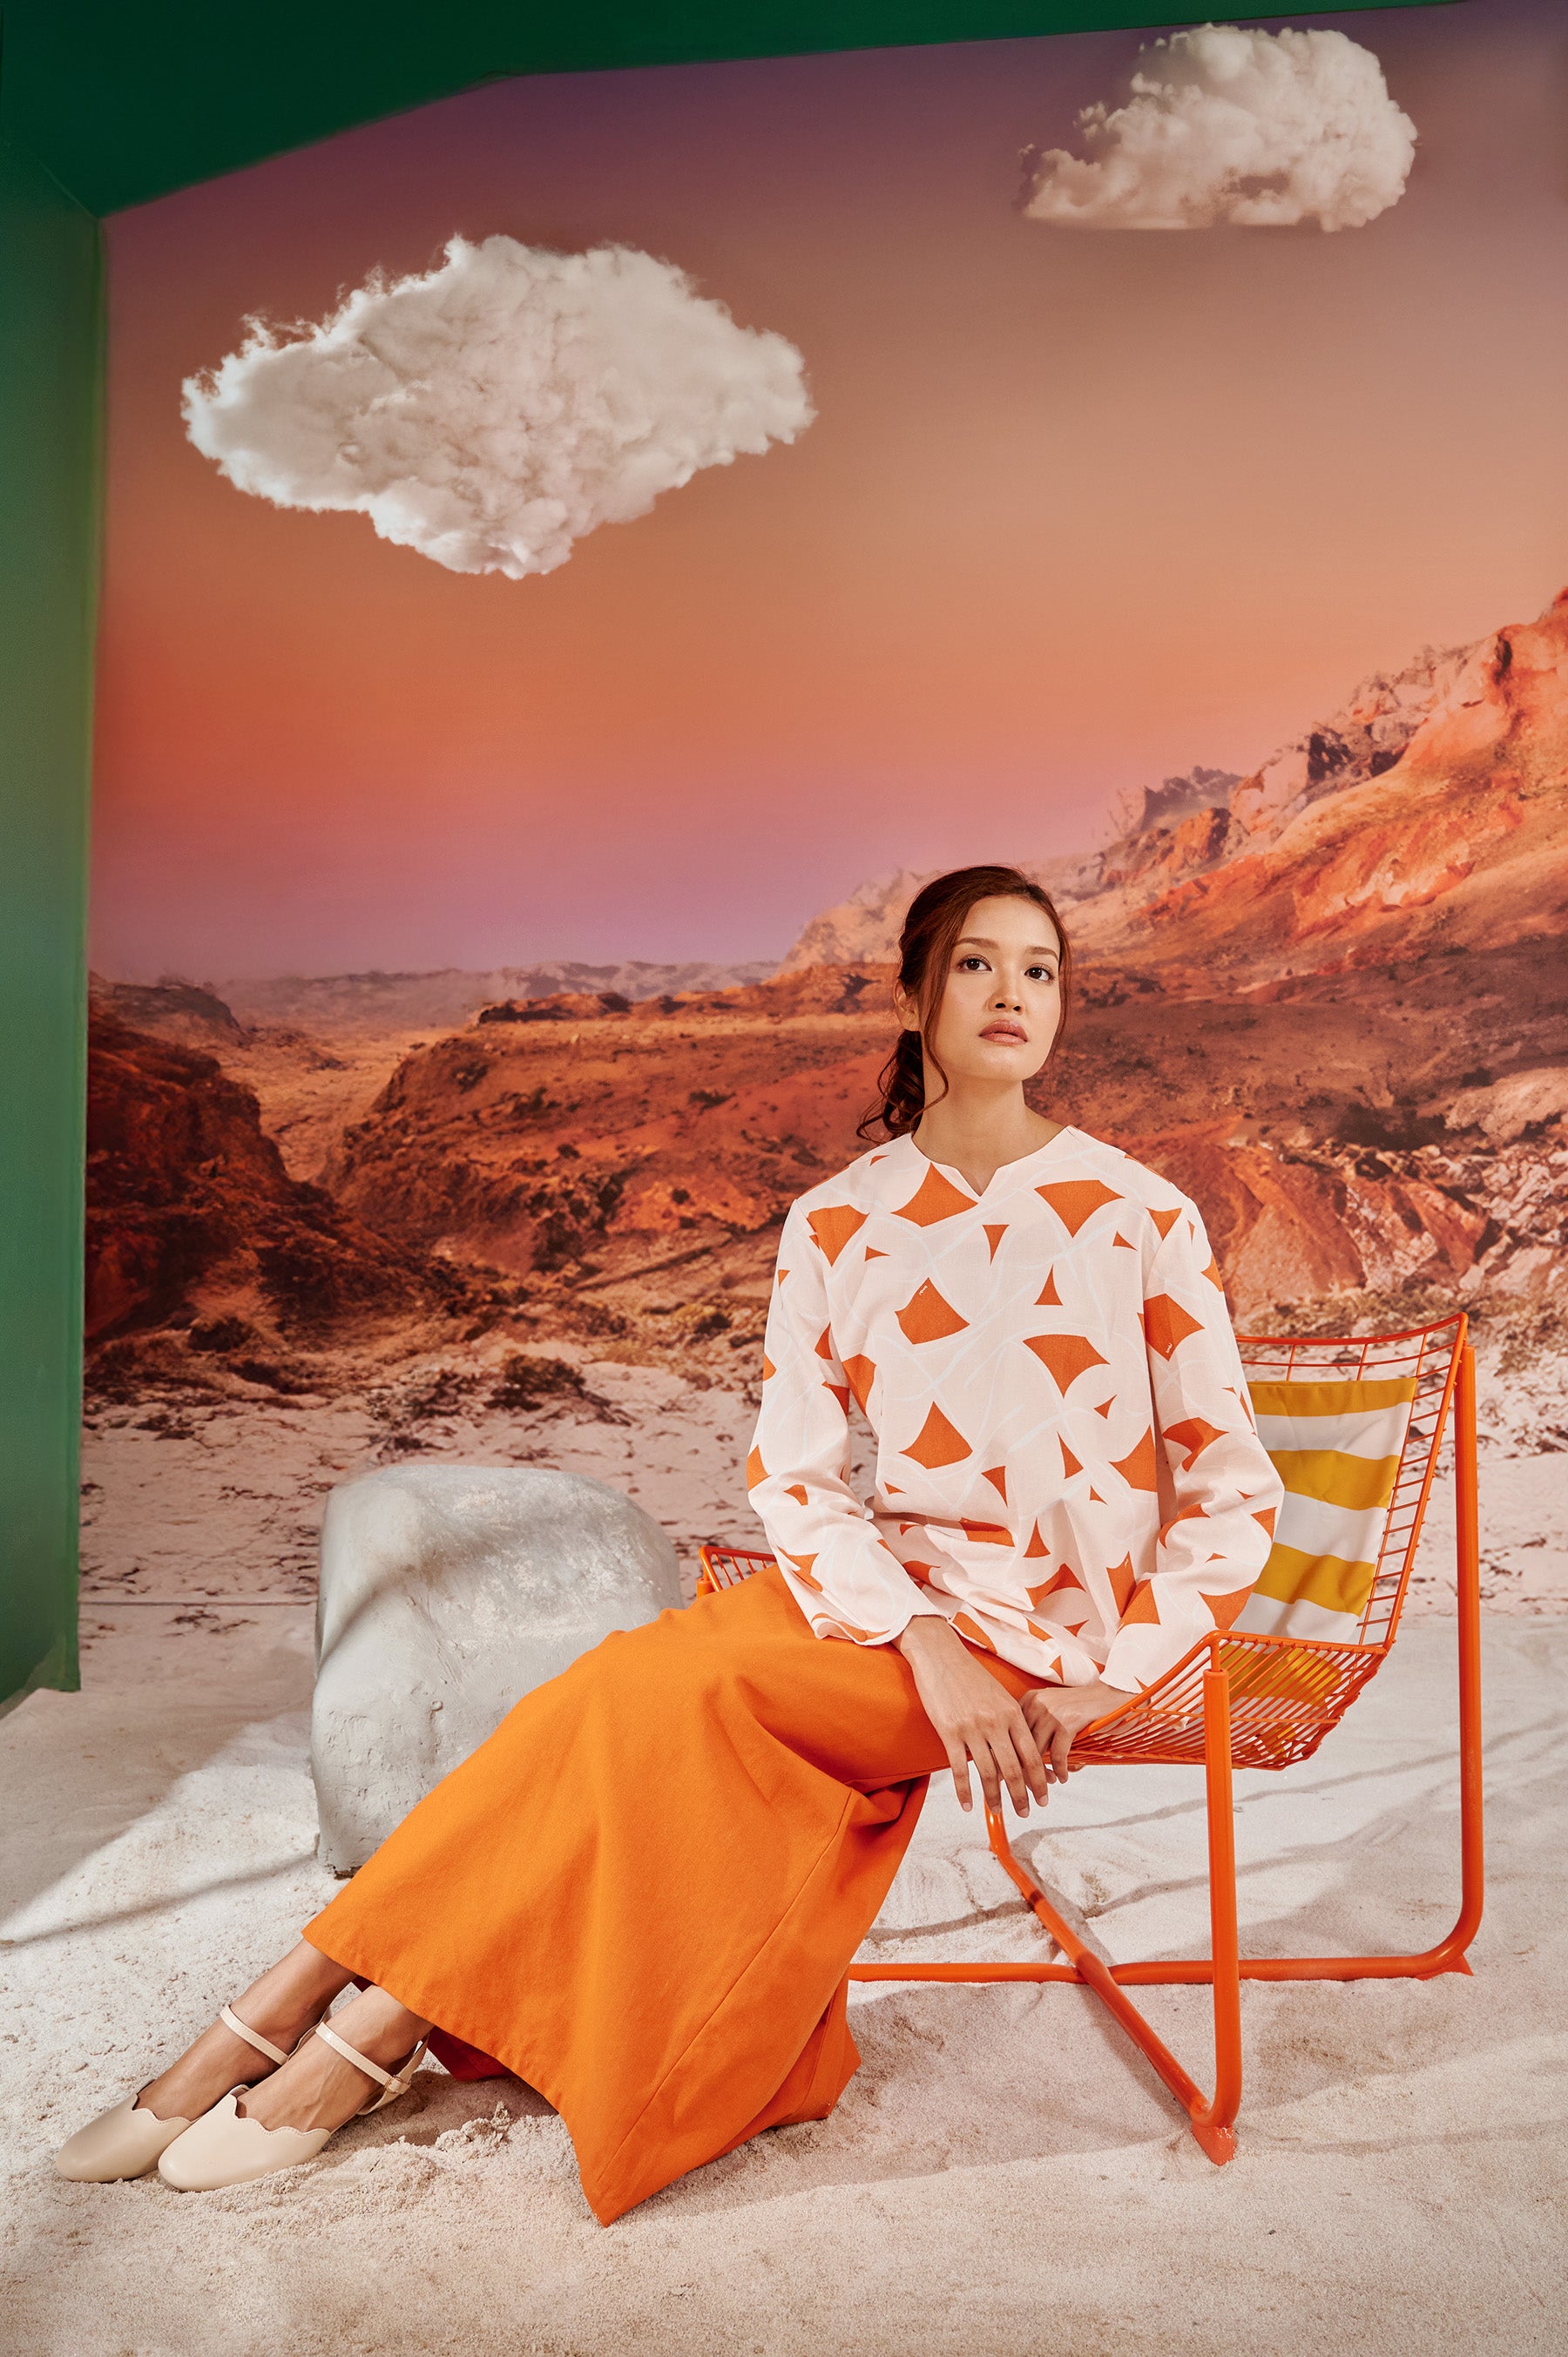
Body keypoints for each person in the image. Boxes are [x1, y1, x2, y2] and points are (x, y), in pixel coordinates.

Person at [57, 863, 1281, 2219]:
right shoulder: (841, 1219)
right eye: (981, 963)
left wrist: (1118, 1674)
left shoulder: (1142, 1214)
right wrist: (922, 1635)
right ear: (913, 994)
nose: (1014, 994)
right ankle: (303, 2005)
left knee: (666, 1699)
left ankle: (345, 2035)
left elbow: (1231, 1488)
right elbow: (797, 1478)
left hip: (1055, 1637)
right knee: (602, 1695)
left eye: (1041, 969)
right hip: (887, 1609)